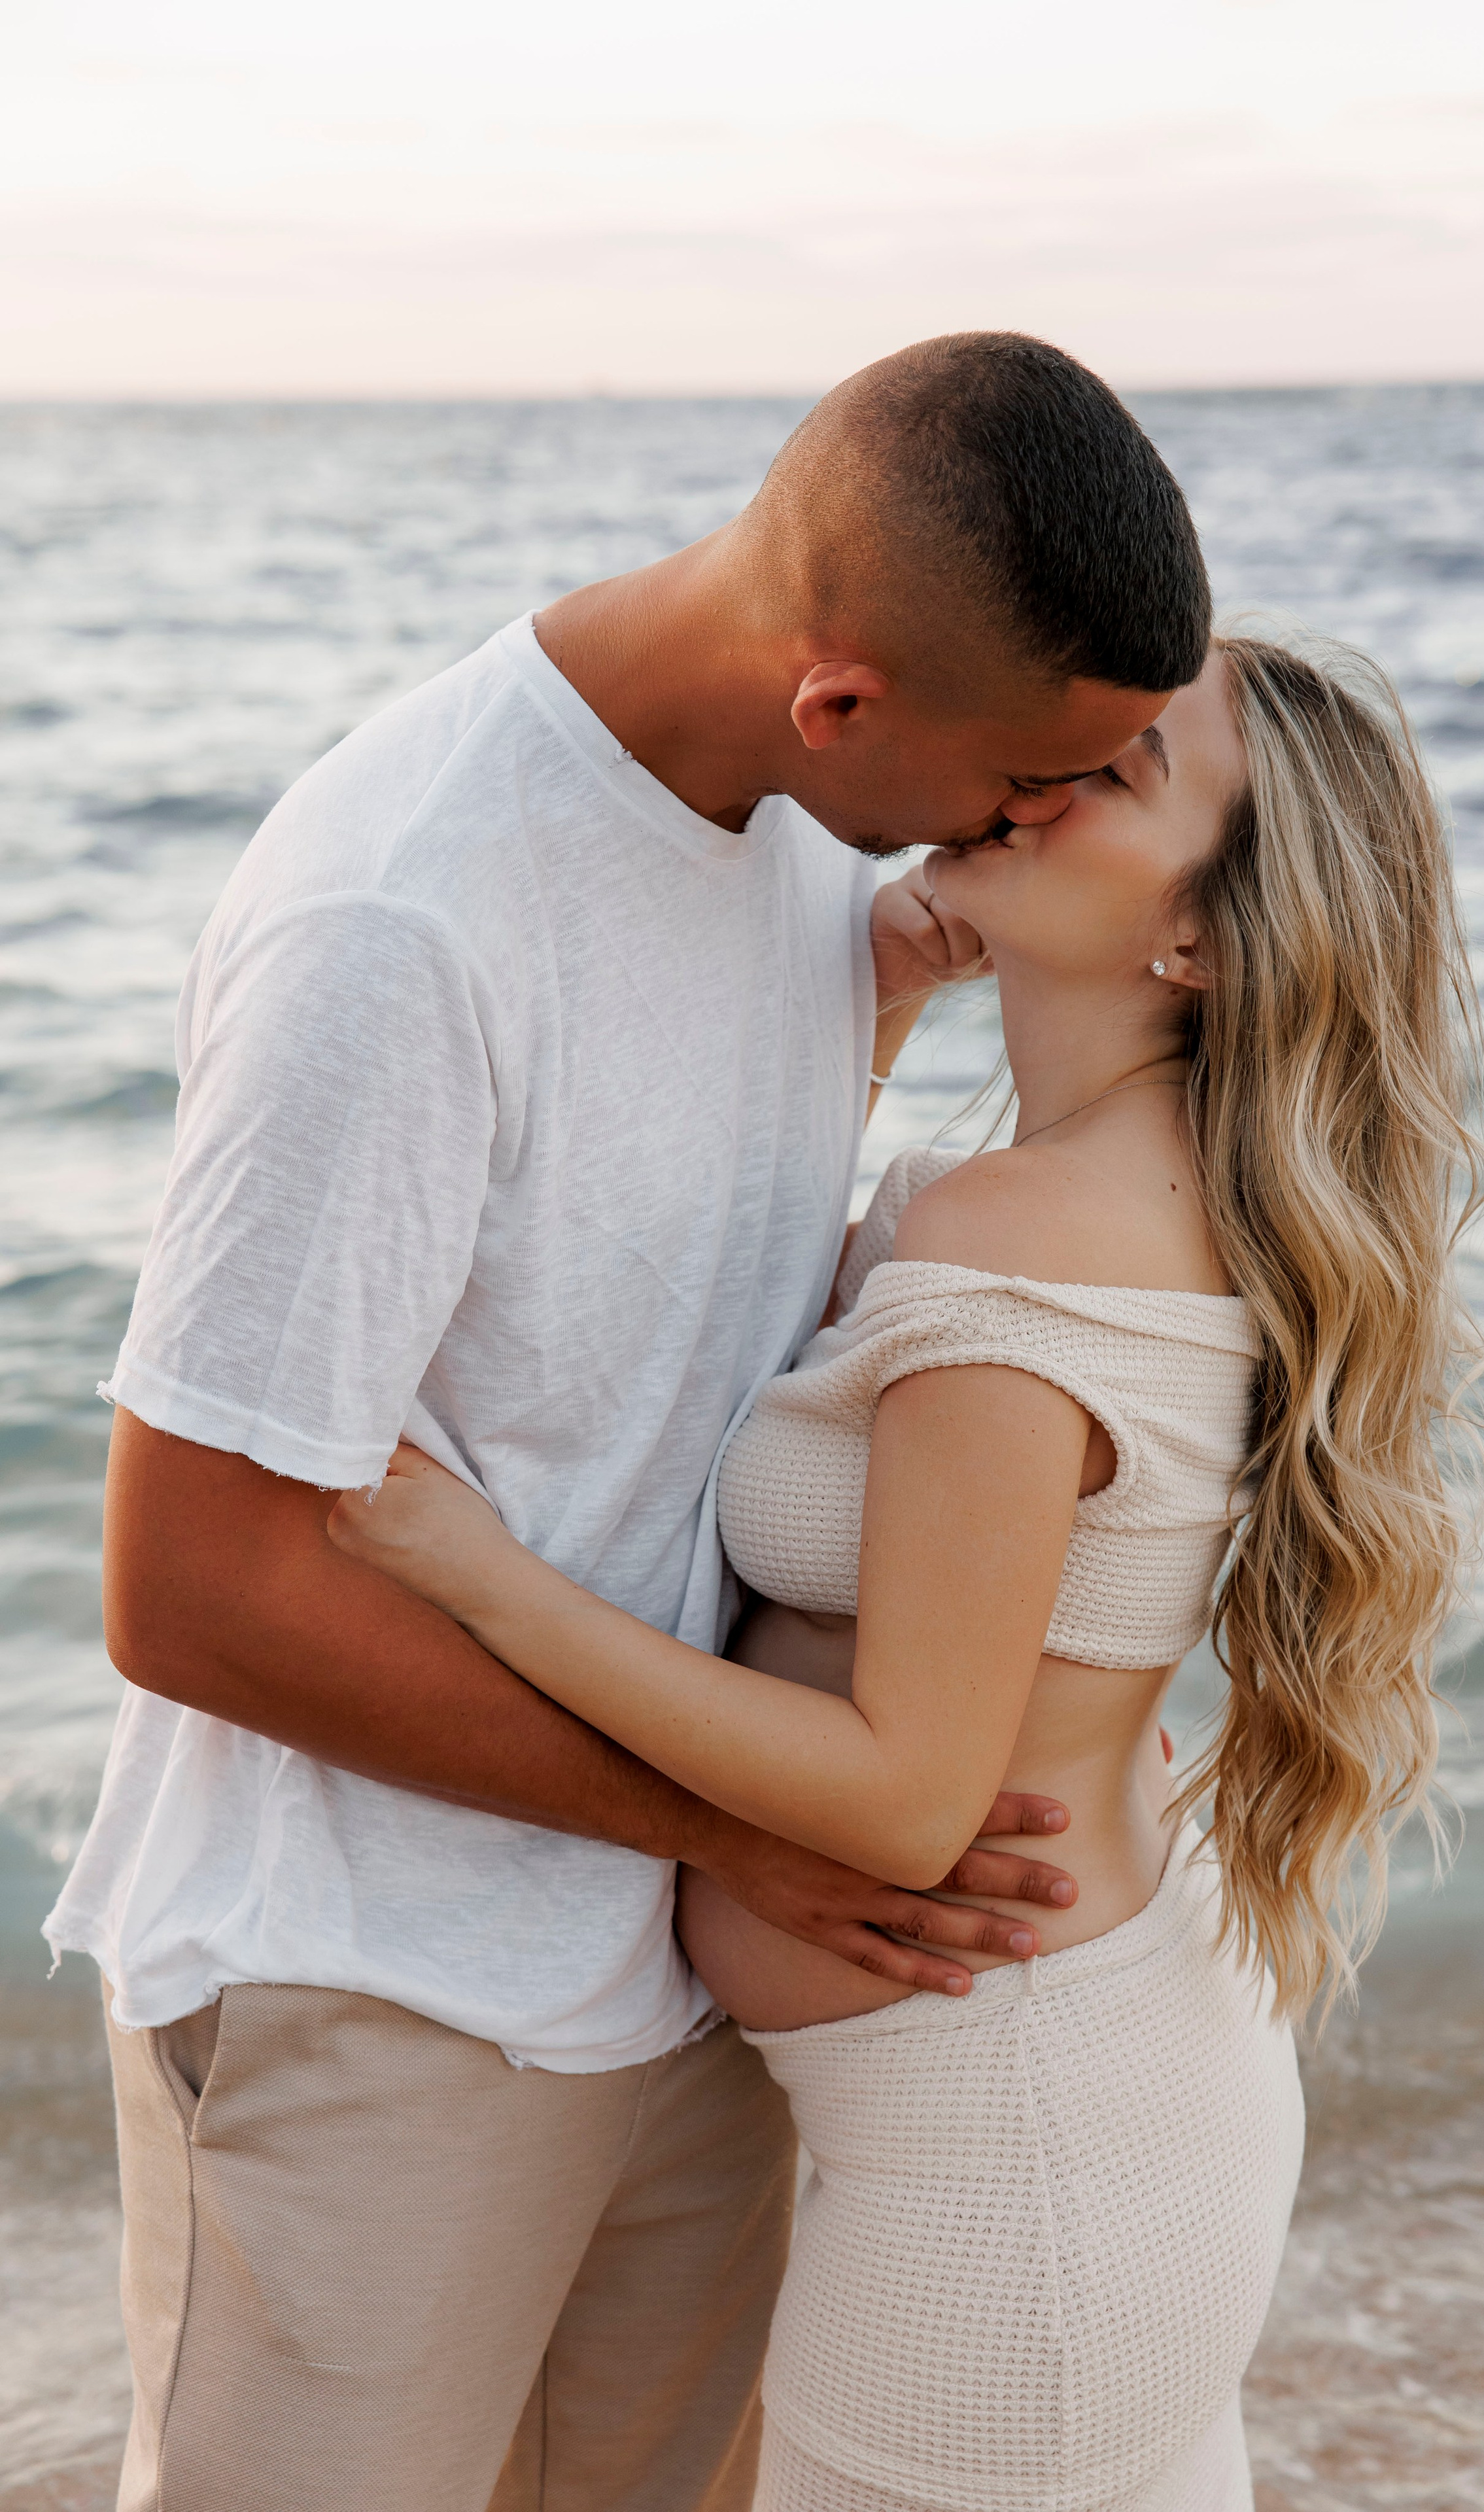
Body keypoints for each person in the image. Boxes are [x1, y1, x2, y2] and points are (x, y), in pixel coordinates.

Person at [45, 334, 1215, 2511]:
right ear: (841, 697)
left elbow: (654, 1330)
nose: (1033, 822)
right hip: (382, 1983)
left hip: (685, 1990)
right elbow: (192, 1593)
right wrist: (740, 1832)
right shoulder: (406, 916)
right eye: (1020, 776)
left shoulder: (802, 838)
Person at [331, 629, 1484, 2512]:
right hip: (1094, 2101)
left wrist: (472, 1573)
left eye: (1112, 773)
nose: (1031, 775)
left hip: (1014, 2170)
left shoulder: (1019, 1239)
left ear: (1196, 939)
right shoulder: (1146, 1184)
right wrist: (876, 1003)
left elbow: (903, 1796)